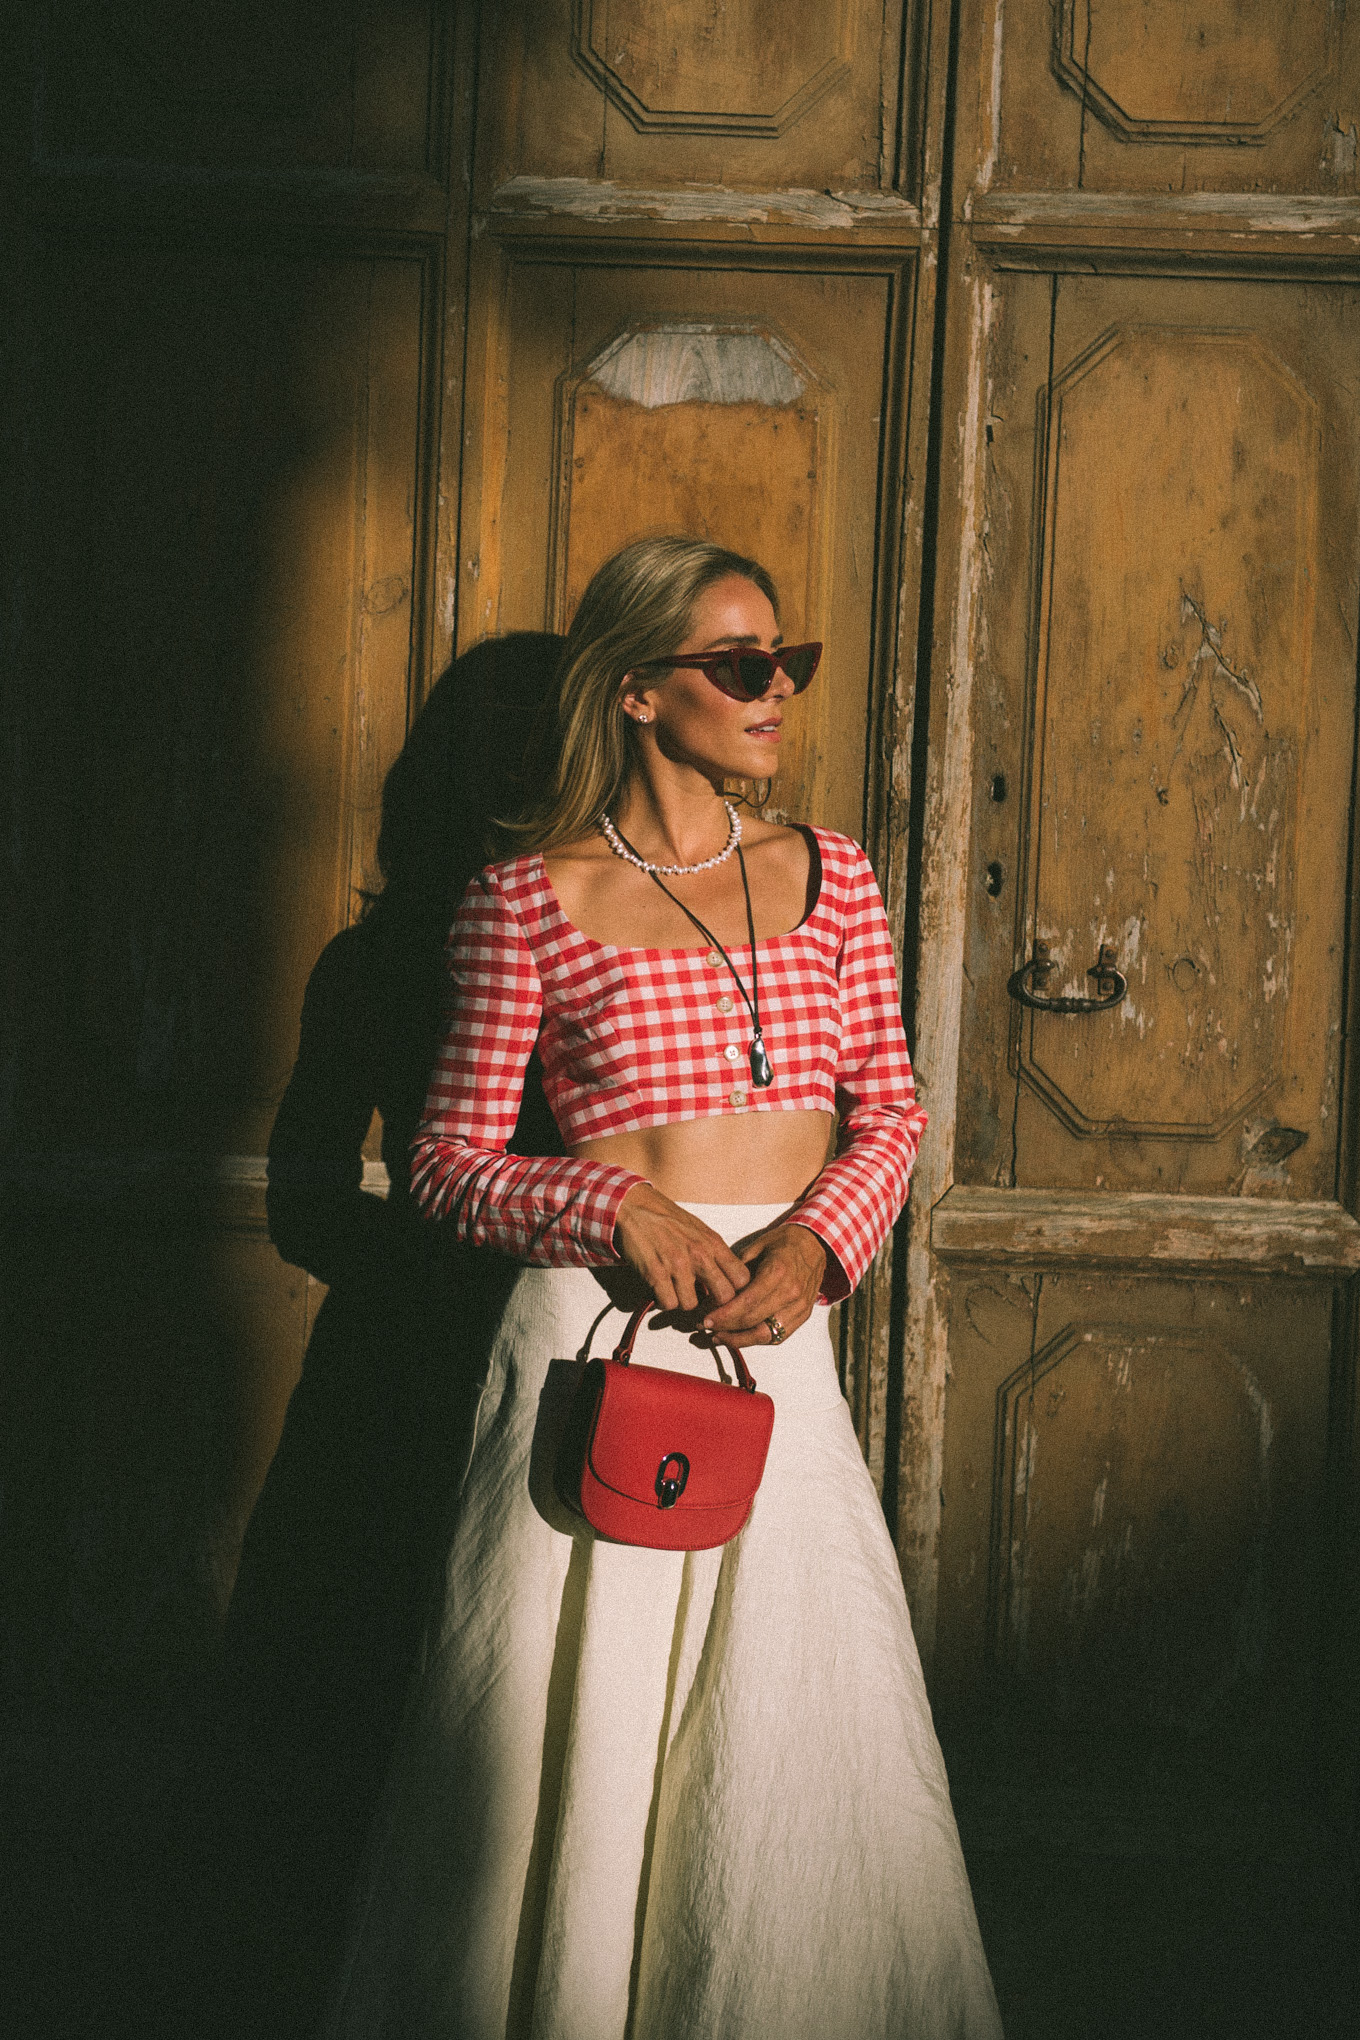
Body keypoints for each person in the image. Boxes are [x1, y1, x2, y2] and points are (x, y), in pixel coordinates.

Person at [327, 539, 1002, 2038]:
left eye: (786, 662)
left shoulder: (833, 877)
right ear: (636, 691)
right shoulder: (523, 900)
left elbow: (889, 1110)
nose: (776, 693)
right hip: (593, 1332)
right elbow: (437, 1165)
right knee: (577, 1705)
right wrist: (610, 1202)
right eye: (739, 664)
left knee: (785, 1709)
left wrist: (820, 1245)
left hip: (779, 1336)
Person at [188, 634, 565, 2039]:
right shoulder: (441, 950)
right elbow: (301, 1188)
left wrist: (410, 1276)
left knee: (374, 1697)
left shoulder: (387, 949)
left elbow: (303, 1195)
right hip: (493, 1356)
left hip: (423, 1351)